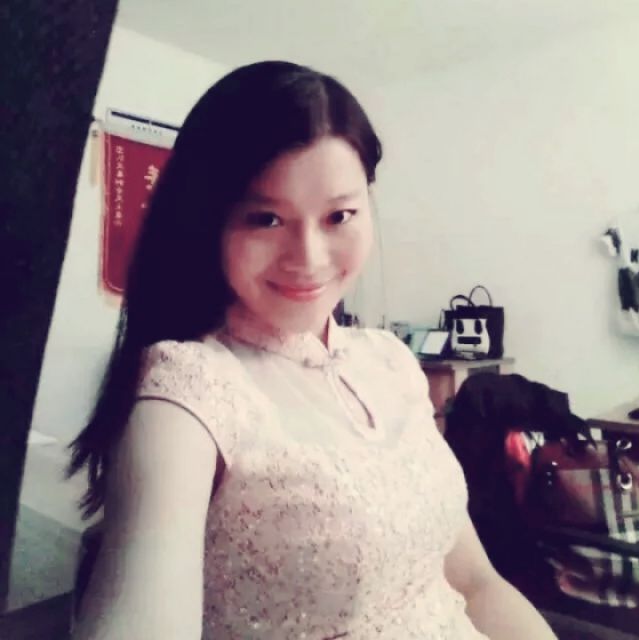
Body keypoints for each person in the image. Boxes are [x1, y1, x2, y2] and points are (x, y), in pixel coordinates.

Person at [67, 60, 557, 640]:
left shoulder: (390, 362)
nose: (309, 256)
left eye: (338, 215)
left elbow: (475, 583)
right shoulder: (186, 392)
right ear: (209, 221)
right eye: (266, 218)